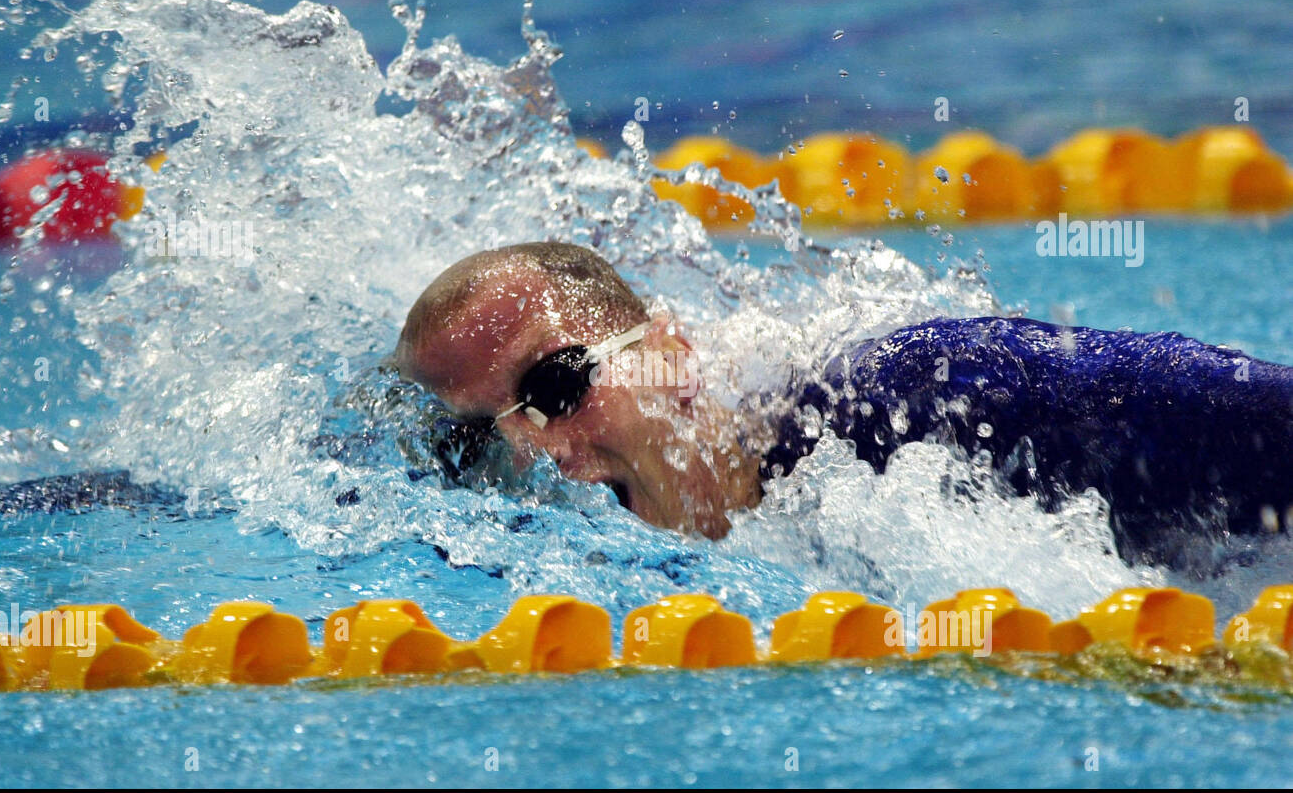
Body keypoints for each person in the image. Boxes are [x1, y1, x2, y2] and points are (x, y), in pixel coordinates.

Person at [395, 241, 1293, 562]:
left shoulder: (921, 402)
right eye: (480, 437)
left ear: (671, 356)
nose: (532, 456)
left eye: (556, 385)